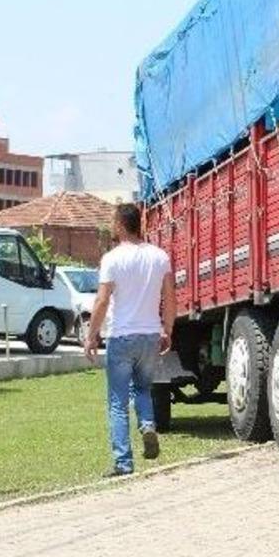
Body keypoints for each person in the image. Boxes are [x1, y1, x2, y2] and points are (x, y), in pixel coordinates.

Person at [85, 204, 175, 477]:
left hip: (121, 336)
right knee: (144, 389)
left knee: (117, 401)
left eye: (114, 223)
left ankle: (123, 462)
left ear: (121, 225)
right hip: (149, 334)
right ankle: (147, 424)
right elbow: (170, 297)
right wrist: (167, 329)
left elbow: (102, 300)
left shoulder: (112, 259)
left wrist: (91, 335)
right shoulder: (160, 257)